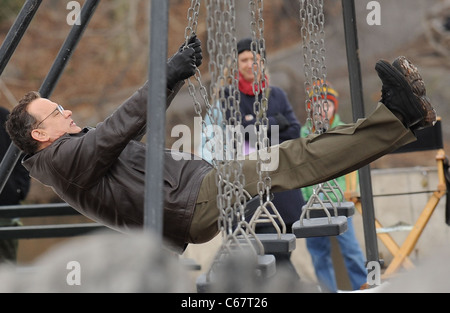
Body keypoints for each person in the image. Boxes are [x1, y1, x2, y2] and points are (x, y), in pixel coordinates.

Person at [4, 28, 436, 255]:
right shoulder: (61, 161)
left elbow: (127, 129)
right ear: (39, 133)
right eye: (56, 111)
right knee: (290, 159)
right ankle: (399, 116)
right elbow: (118, 128)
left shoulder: (68, 155)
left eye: (62, 105)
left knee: (291, 159)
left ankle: (399, 121)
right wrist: (168, 73)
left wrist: (175, 78)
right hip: (191, 202)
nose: (67, 111)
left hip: (190, 200)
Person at [200, 37, 305, 276]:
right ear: (236, 65)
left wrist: (257, 126)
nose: (250, 64)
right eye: (244, 59)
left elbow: (294, 131)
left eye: (255, 59)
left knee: (280, 254)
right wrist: (274, 122)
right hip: (247, 192)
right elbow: (237, 135)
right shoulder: (227, 97)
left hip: (280, 191)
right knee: (264, 261)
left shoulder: (276, 95)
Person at [300, 83, 368, 292]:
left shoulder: (343, 131)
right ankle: (328, 289)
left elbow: (351, 166)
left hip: (339, 197)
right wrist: (304, 195)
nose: (323, 109)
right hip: (313, 201)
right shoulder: (304, 133)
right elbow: (301, 168)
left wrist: (350, 189)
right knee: (318, 250)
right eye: (318, 105)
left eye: (327, 104)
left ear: (334, 107)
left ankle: (362, 284)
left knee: (350, 247)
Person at [0, 106, 31, 264]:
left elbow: (23, 152)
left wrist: (19, 189)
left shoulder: (6, 118)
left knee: (6, 266)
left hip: (7, 207)